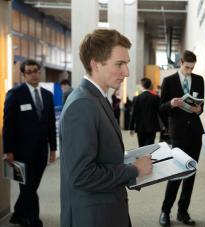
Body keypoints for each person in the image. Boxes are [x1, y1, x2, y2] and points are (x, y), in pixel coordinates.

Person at [59, 29, 153, 227]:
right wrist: (133, 170)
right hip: (93, 216)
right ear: (95, 64)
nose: (126, 72)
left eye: (126, 64)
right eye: (119, 64)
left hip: (107, 208)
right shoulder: (82, 104)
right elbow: (82, 175)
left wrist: (128, 162)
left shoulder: (97, 98)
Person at [2, 59, 57, 227]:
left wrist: (53, 148)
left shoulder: (47, 96)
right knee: (28, 187)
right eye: (29, 72)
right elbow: (8, 124)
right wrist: (8, 150)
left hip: (41, 151)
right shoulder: (15, 94)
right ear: (24, 75)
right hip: (21, 151)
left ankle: (18, 213)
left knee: (32, 186)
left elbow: (50, 124)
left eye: (36, 71)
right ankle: (33, 220)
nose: (34, 74)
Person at [158, 50, 204, 226]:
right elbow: (161, 108)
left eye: (192, 68)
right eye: (187, 67)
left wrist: (199, 110)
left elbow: (201, 106)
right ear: (181, 62)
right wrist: (171, 103)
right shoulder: (168, 81)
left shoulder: (199, 80)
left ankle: (183, 212)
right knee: (175, 173)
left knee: (190, 173)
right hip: (178, 134)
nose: (189, 71)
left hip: (195, 133)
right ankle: (165, 211)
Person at [129, 78, 161, 147]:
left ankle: (142, 158)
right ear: (150, 86)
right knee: (150, 146)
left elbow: (133, 114)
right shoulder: (155, 98)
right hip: (152, 127)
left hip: (140, 127)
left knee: (141, 147)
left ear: (141, 86)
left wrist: (131, 128)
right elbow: (160, 112)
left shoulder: (136, 98)